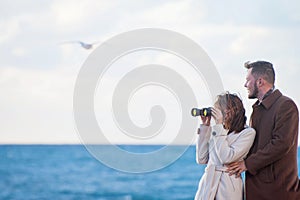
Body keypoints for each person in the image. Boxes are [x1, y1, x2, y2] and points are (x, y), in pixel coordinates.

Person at [227, 61, 300, 199]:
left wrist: (247, 164)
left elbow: (281, 144)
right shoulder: (257, 109)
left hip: (277, 191)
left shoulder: (286, 105)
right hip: (259, 188)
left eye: (248, 80)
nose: (245, 85)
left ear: (260, 82)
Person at [195, 93, 256, 200]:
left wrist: (218, 126)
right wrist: (205, 127)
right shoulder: (218, 130)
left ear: (229, 111)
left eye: (218, 110)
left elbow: (226, 157)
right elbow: (201, 158)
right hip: (207, 185)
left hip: (227, 187)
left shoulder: (247, 133)